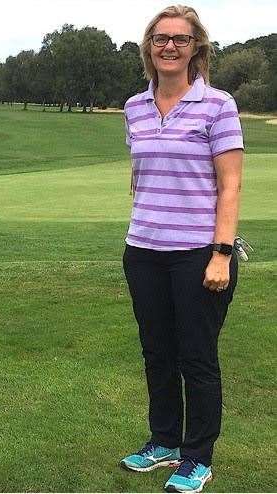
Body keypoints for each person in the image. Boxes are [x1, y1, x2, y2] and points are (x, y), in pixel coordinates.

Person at [119, 6, 244, 492]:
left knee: (196, 356)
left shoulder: (218, 105)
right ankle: (165, 441)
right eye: (160, 38)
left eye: (180, 39)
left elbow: (229, 185)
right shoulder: (134, 106)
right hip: (144, 250)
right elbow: (140, 175)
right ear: (150, 47)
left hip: (198, 252)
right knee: (157, 353)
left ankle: (198, 457)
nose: (169, 46)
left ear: (196, 49)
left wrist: (221, 252)